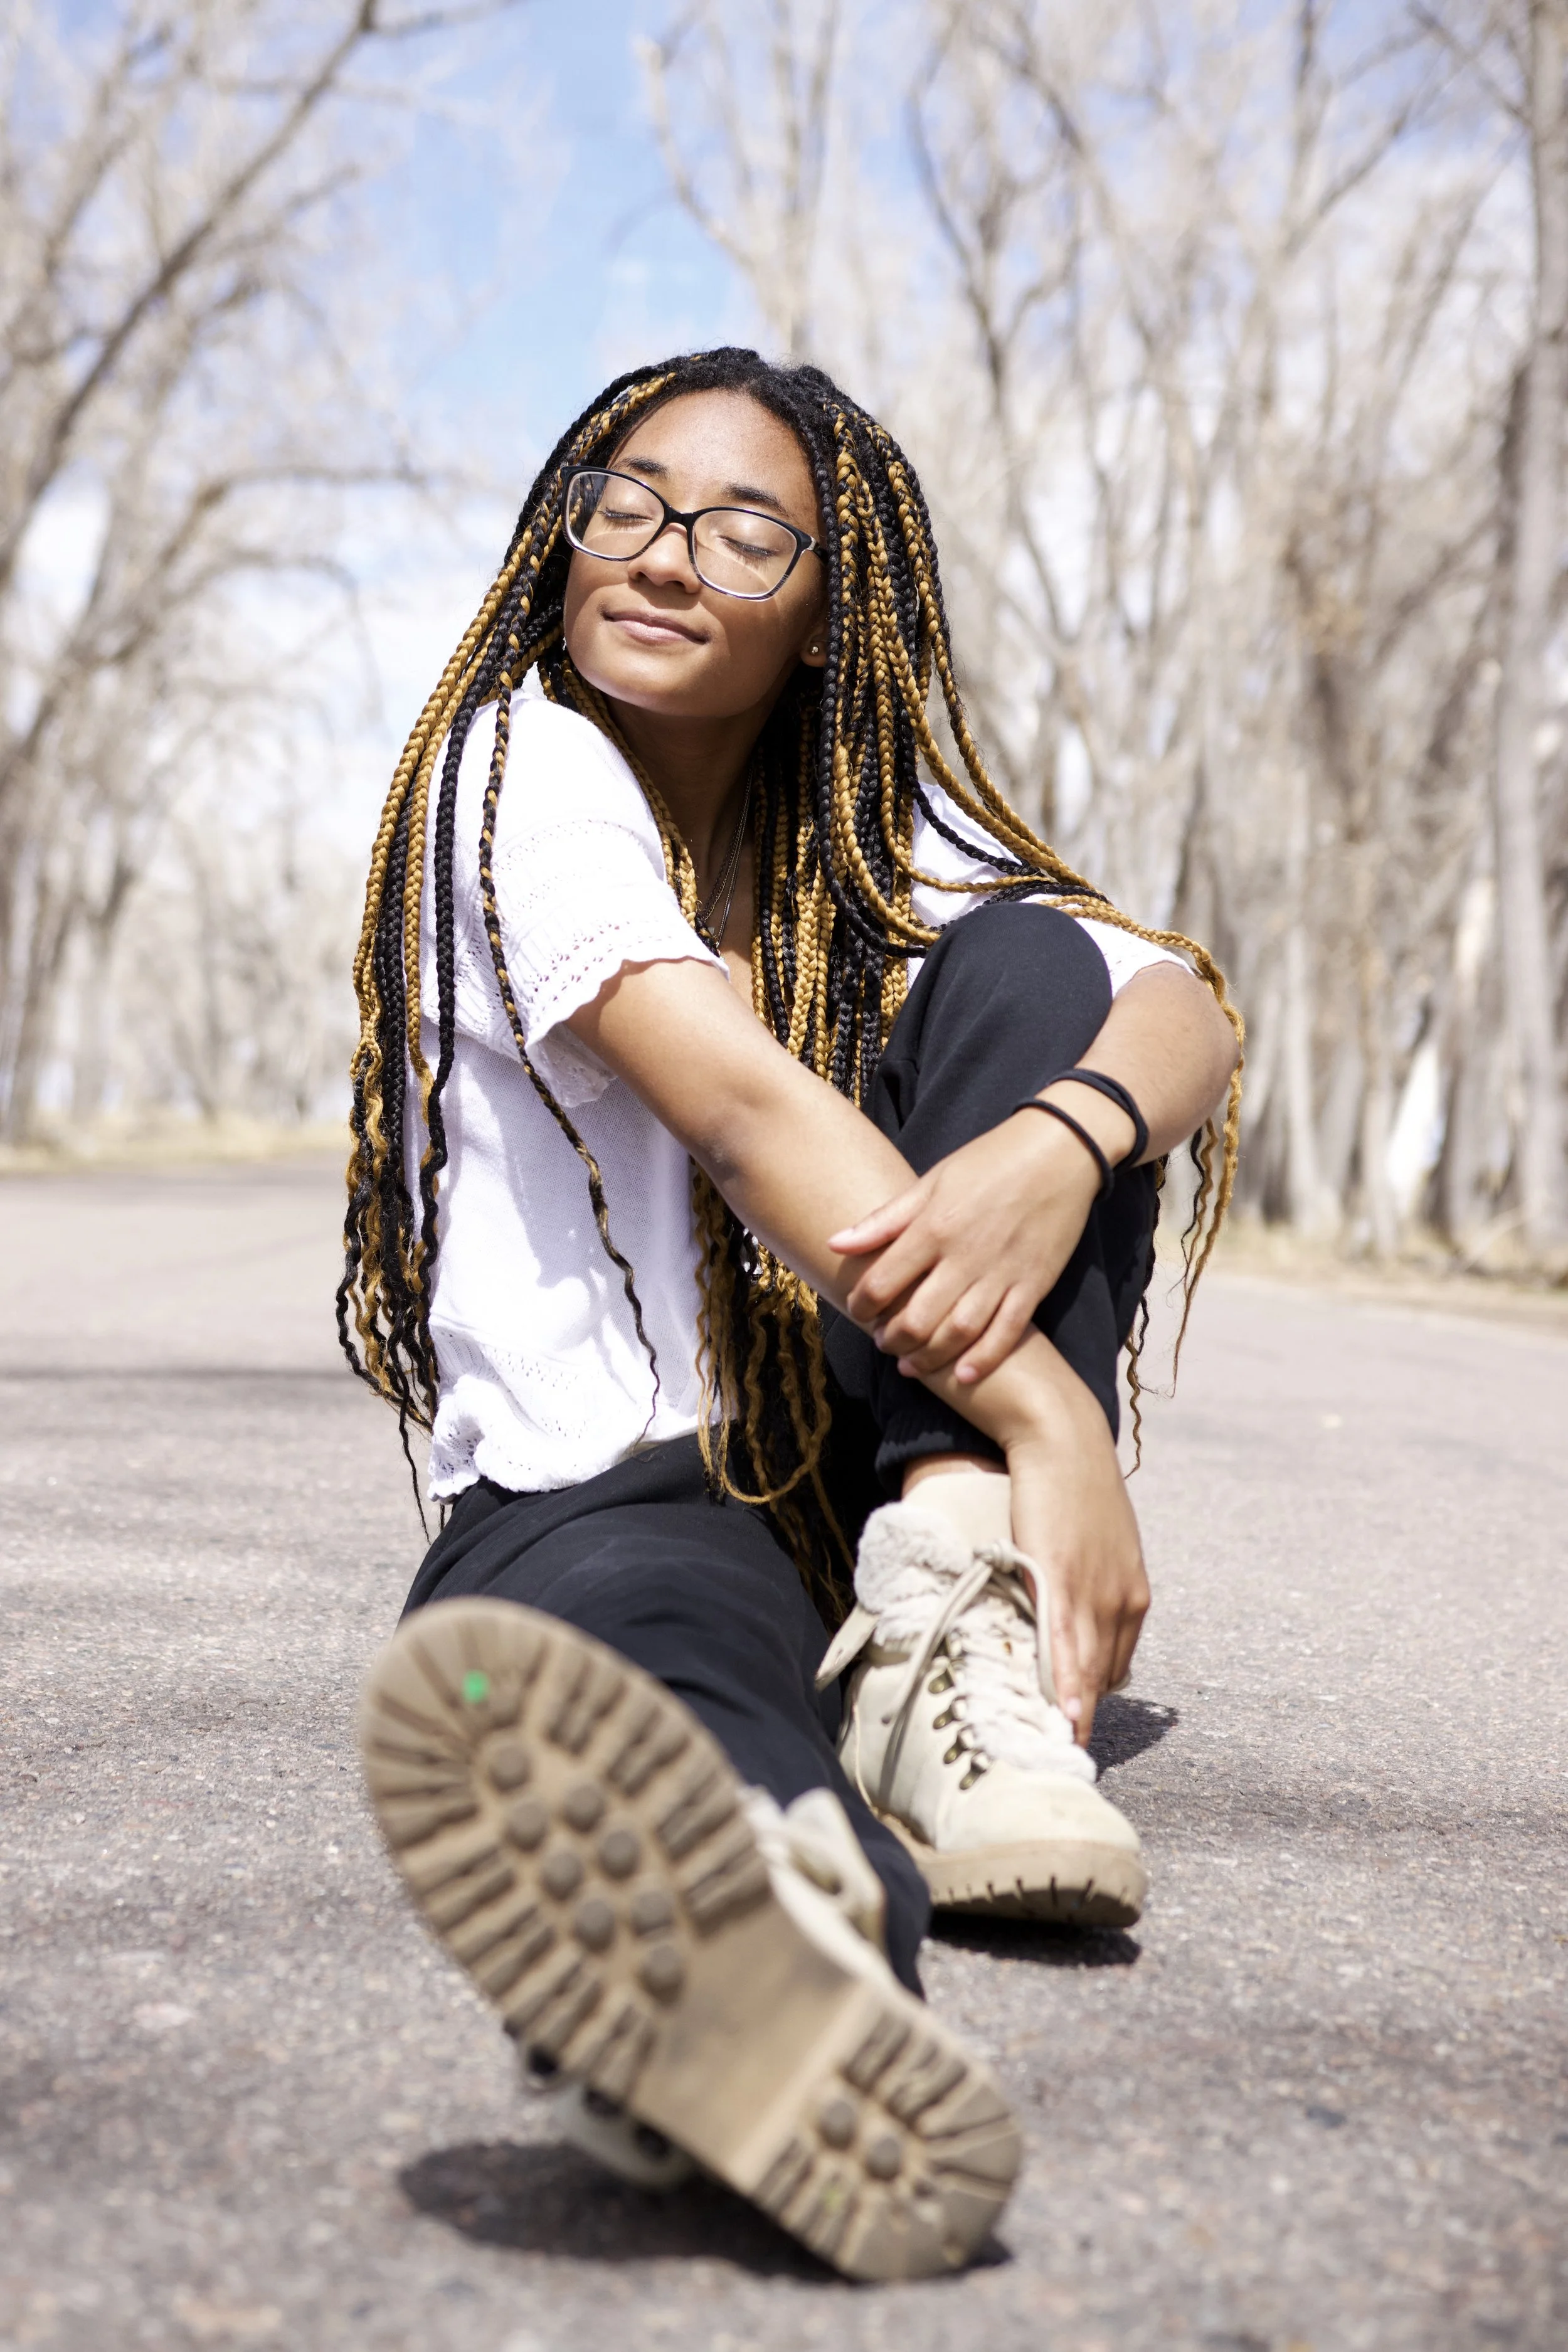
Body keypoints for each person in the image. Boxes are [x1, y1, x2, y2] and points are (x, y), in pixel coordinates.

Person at [339, 347, 1241, 2281]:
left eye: (746, 529)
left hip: (865, 1477)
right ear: (567, 533)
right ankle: (777, 1926)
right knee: (679, 1681)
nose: (665, 554)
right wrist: (1066, 1430)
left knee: (1029, 977)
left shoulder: (861, 845)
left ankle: (941, 1627)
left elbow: (1181, 1004)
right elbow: (744, 1111)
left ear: (831, 605)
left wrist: (1064, 1141)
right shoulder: (507, 765)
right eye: (630, 500)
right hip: (600, 1494)